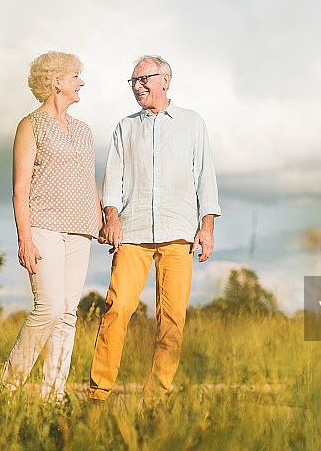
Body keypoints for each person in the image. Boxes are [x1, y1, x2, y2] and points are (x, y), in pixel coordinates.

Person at [89, 55, 221, 402]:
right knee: (116, 309)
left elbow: (205, 177)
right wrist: (111, 217)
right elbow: (112, 178)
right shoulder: (124, 127)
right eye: (132, 81)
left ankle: (156, 397)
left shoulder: (192, 123)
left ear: (165, 80)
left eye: (144, 79)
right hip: (131, 233)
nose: (137, 86)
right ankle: (98, 394)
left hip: (179, 234)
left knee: (172, 318)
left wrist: (206, 227)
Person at [2, 51, 102, 403]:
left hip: (81, 229)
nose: (81, 82)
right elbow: (20, 187)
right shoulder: (30, 125)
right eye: (76, 75)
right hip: (43, 224)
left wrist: (100, 218)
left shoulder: (84, 130)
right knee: (49, 306)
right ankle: (10, 386)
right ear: (56, 80)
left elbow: (88, 179)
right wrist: (24, 239)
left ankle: (53, 397)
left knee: (68, 314)